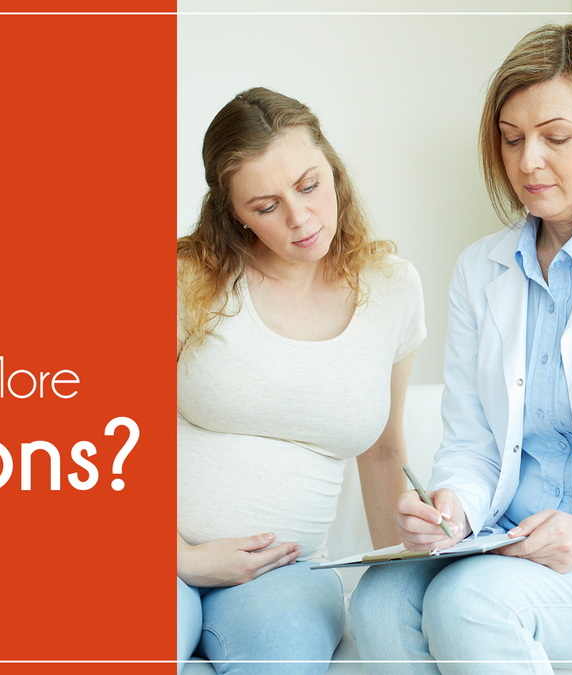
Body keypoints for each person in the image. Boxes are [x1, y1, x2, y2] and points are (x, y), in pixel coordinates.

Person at [348, 23, 572, 675]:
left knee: (470, 604)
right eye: (511, 140)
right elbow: (473, 445)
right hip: (506, 546)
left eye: (556, 137)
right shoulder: (479, 270)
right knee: (377, 604)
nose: (527, 162)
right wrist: (451, 509)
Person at [176, 87, 426, 675]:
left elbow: (384, 451)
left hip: (283, 573)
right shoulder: (184, 280)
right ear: (231, 211)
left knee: (282, 658)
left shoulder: (392, 288)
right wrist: (184, 559)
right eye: (265, 206)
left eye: (310, 185)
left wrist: (403, 584)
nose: (300, 218)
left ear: (333, 170)